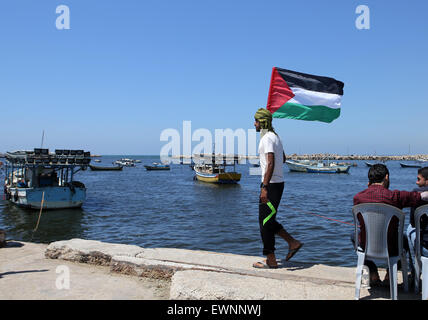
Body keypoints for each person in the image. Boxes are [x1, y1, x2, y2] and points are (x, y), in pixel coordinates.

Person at [352, 164, 428, 285]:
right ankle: (389, 274)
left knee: (354, 236)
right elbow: (421, 197)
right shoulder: (396, 197)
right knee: (405, 241)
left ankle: (372, 272)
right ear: (386, 177)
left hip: (367, 245)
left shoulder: (358, 198)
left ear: (369, 180)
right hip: (391, 247)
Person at [252, 108, 303, 269]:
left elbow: (272, 162)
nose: (254, 124)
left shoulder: (267, 138)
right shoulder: (276, 137)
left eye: (256, 121)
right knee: (269, 220)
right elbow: (283, 158)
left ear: (262, 122)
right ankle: (292, 242)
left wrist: (265, 186)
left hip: (271, 185)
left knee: (264, 222)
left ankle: (271, 259)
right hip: (278, 183)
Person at [406, 167, 428, 277]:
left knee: (410, 229)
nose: (416, 182)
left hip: (425, 248)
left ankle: (415, 273)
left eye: (419, 179)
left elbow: (413, 222)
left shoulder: (416, 193)